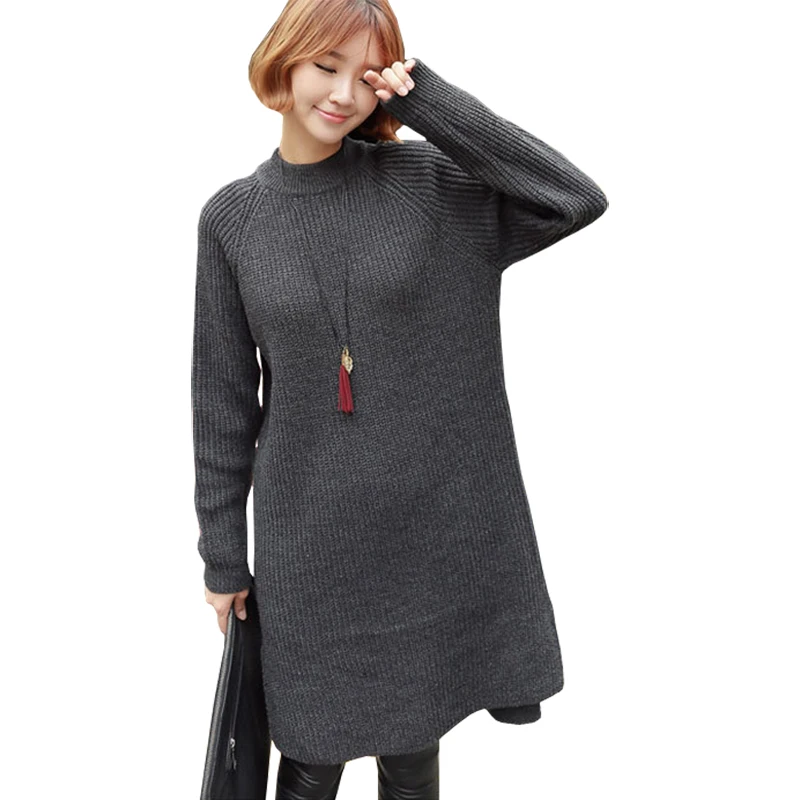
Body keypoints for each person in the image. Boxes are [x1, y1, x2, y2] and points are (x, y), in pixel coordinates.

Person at [191, 0, 608, 797]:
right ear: (284, 60)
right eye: (326, 66)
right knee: (309, 756)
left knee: (414, 757)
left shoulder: (427, 186)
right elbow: (222, 402)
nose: (344, 93)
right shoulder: (233, 221)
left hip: (431, 543)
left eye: (367, 75)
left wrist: (429, 102)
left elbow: (572, 198)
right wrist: (222, 556)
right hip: (309, 550)